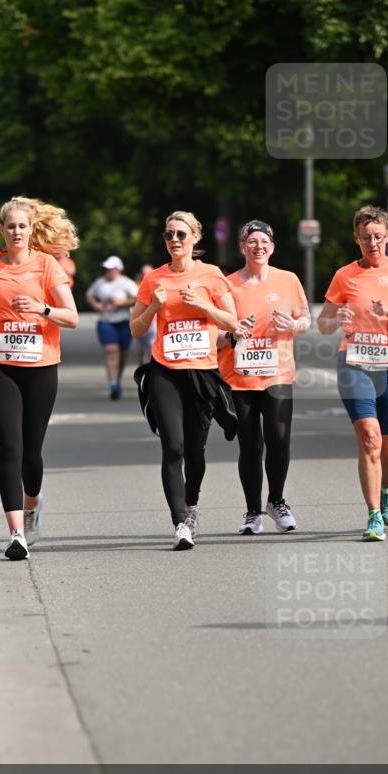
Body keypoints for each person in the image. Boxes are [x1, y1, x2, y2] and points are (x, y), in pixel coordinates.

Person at [0, 196, 79, 560]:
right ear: (0, 229)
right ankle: (16, 535)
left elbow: (72, 317)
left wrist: (42, 309)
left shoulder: (47, 266)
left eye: (22, 226)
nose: (16, 231)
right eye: (10, 226)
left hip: (41, 366)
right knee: (9, 449)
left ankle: (32, 504)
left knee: (31, 453)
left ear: (31, 230)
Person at [318, 205, 388, 541]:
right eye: (366, 237)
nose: (373, 243)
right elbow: (323, 323)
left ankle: (385, 489)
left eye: (378, 236)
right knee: (370, 437)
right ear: (356, 239)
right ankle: (373, 516)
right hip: (354, 360)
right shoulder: (344, 275)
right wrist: (334, 320)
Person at [130, 211, 238, 550]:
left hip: (202, 373)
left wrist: (205, 305)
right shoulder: (153, 280)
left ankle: (191, 505)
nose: (174, 240)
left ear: (195, 238)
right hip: (164, 371)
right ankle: (180, 523)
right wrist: (153, 307)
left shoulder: (211, 275)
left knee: (195, 451)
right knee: (172, 446)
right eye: (168, 235)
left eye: (180, 234)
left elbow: (232, 322)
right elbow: (135, 327)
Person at [217, 220, 310, 535]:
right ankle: (252, 512)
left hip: (278, 374)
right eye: (252, 241)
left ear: (273, 247)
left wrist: (294, 326)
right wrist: (230, 334)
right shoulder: (226, 285)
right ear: (242, 247)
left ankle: (277, 500)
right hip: (239, 377)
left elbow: (305, 319)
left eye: (264, 241)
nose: (259, 247)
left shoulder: (288, 280)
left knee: (279, 439)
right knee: (250, 445)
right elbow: (212, 334)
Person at [86, 257, 138, 399]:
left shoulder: (127, 283)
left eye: (112, 268)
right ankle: (113, 383)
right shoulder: (100, 282)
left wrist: (124, 302)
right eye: (107, 268)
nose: (108, 271)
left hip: (124, 321)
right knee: (110, 351)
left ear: (118, 269)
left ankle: (117, 378)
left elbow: (138, 298)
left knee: (122, 353)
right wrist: (96, 304)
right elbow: (89, 295)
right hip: (105, 322)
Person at [135, 264, 157, 364]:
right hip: (140, 321)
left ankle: (149, 366)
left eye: (148, 272)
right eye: (144, 273)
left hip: (153, 322)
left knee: (151, 345)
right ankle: (142, 364)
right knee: (140, 349)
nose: (145, 274)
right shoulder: (136, 286)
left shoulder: (158, 284)